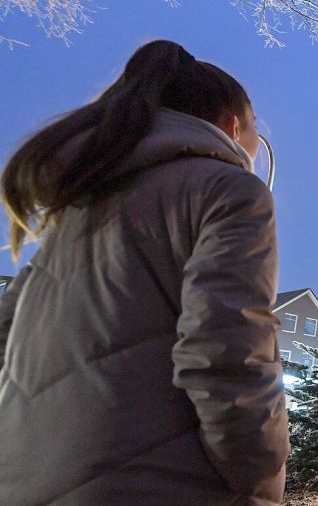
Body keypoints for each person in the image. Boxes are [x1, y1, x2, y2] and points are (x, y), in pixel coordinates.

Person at [0, 41, 289, 505]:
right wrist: (259, 484)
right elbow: (226, 352)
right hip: (160, 487)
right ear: (234, 128)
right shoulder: (229, 191)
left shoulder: (71, 216)